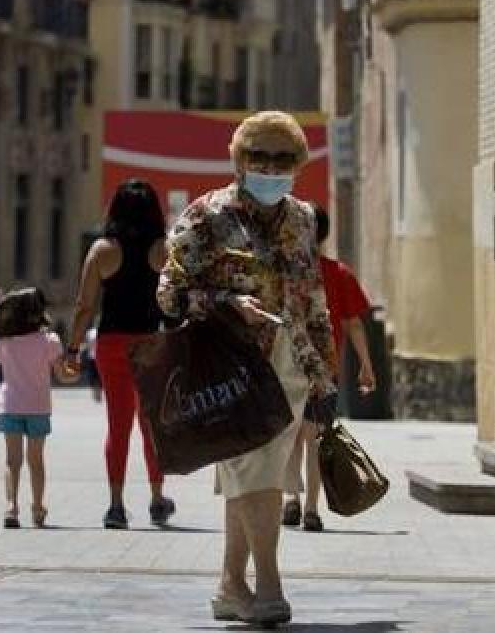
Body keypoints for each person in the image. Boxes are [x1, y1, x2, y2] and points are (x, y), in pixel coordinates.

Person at [157, 111, 336, 628]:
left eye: (283, 159)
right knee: (253, 471)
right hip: (231, 366)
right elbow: (169, 293)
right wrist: (226, 302)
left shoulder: (302, 218)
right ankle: (270, 586)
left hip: (291, 363)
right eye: (260, 157)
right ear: (239, 159)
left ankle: (231, 586)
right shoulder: (206, 215)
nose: (271, 168)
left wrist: (324, 372)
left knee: (260, 474)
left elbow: (313, 294)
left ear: (298, 163)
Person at [64, 179, 176, 529]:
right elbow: (176, 301)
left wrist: (72, 349)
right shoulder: (164, 250)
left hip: (112, 344)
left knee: (118, 423)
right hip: (150, 344)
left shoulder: (102, 250)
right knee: (151, 424)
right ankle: (157, 499)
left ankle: (115, 505)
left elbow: (84, 306)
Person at [282, 205, 378, 532]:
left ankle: (292, 500)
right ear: (324, 234)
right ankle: (311, 508)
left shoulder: (286, 274)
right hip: (325, 368)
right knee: (314, 437)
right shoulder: (339, 273)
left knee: (292, 435)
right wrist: (366, 365)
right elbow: (354, 324)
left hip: (289, 363)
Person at [0, 288, 76, 528]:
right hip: (38, 407)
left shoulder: (5, 342)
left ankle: (11, 507)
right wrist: (75, 372)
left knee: (12, 461)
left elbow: (1, 363)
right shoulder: (50, 341)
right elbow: (63, 376)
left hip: (10, 405)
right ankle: (38, 507)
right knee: (36, 460)